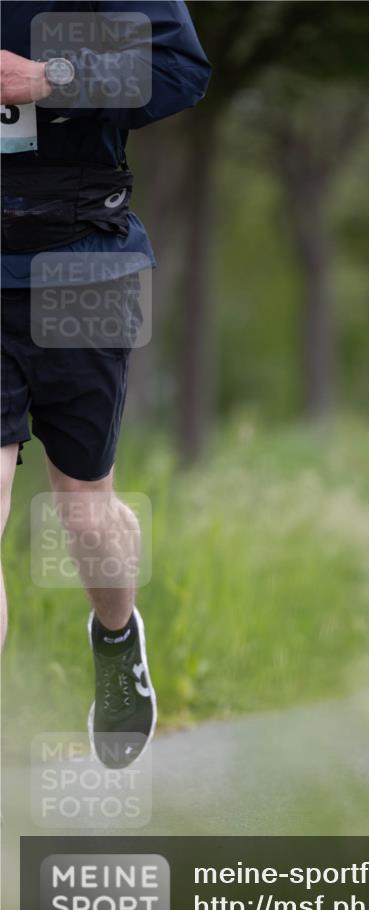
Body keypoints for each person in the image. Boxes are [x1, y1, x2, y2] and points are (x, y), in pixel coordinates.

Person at [0, 2, 211, 767]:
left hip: (81, 264)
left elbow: (180, 70)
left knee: (84, 513)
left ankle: (116, 636)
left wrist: (46, 78)